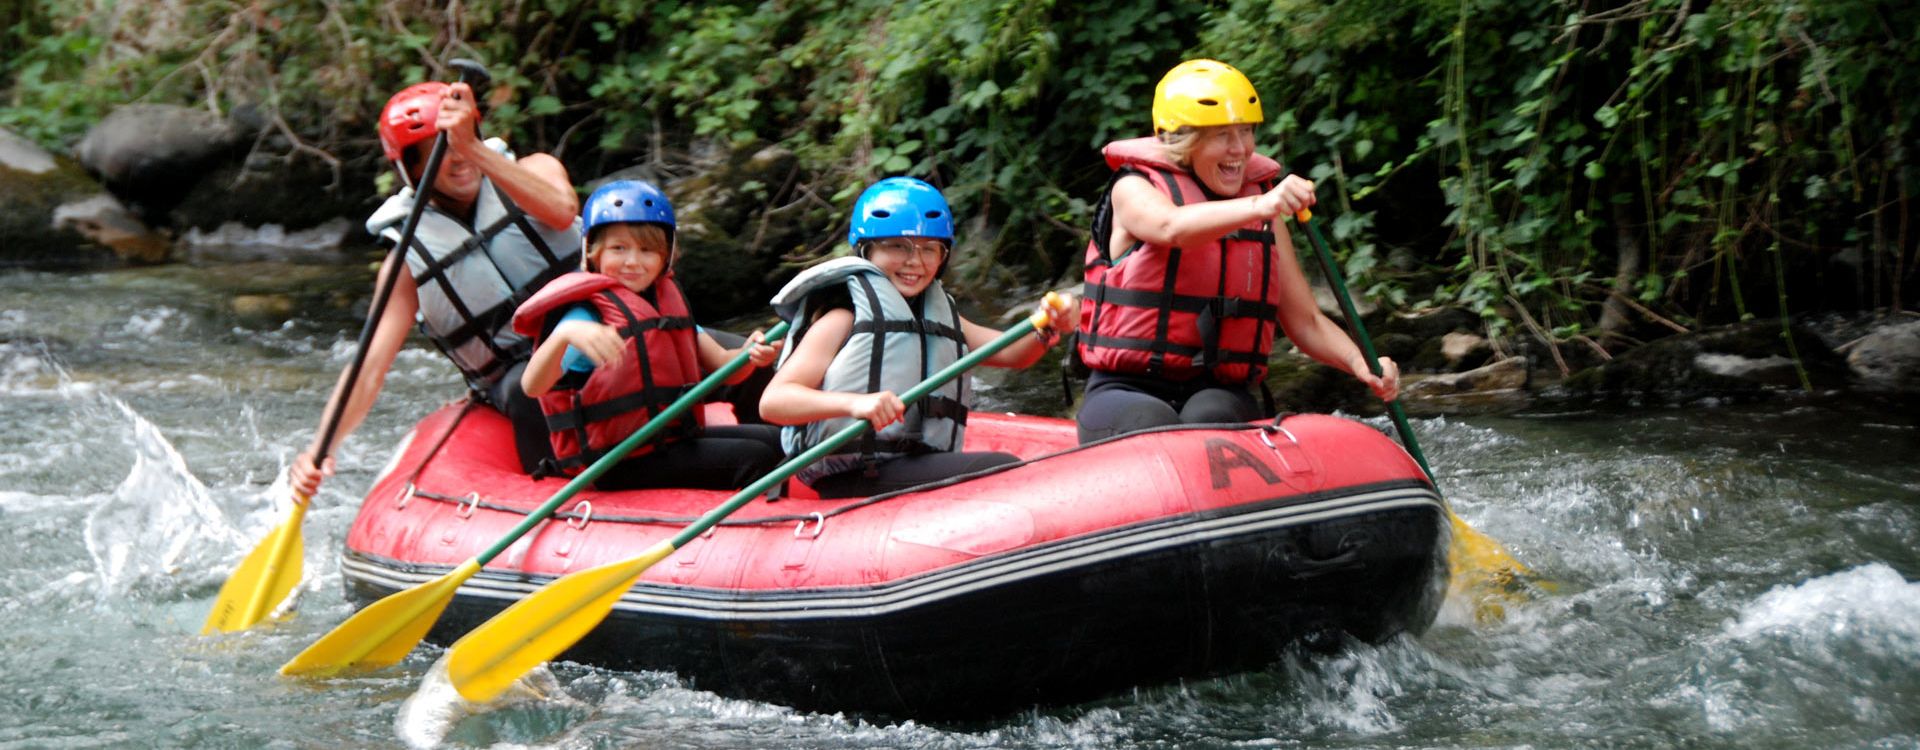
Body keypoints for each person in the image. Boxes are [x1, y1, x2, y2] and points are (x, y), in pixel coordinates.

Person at [1073, 58, 1400, 444]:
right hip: (1124, 390)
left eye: (1245, 131)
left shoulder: (1262, 203)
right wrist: (1263, 206)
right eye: (1222, 135)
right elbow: (1171, 227)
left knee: (1210, 416)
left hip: (1219, 392)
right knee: (1150, 418)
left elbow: (1306, 320)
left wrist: (1360, 361)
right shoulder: (1133, 188)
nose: (1240, 149)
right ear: (1182, 139)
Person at [291, 79, 582, 498]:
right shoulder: (405, 264)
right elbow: (369, 367)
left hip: (597, 331)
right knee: (526, 390)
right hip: (519, 379)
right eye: (436, 155)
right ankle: (558, 493)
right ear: (410, 172)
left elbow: (561, 211)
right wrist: (321, 449)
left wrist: (471, 147)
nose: (457, 161)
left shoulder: (536, 169)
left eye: (460, 144)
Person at [760, 177, 1079, 499]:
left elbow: (1014, 354)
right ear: (866, 251)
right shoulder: (841, 318)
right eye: (898, 246)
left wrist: (1048, 324)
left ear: (943, 257)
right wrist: (855, 403)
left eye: (929, 249)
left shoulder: (936, 315)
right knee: (1002, 466)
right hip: (853, 473)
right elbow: (774, 402)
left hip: (914, 460)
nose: (915, 261)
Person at [511, 180, 784, 490]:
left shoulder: (660, 305)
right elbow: (533, 386)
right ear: (593, 252)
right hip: (616, 460)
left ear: (665, 257)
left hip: (665, 439)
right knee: (755, 457)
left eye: (647, 250)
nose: (632, 261)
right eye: (618, 248)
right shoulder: (584, 316)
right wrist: (564, 337)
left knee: (774, 440)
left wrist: (750, 355)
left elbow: (725, 367)